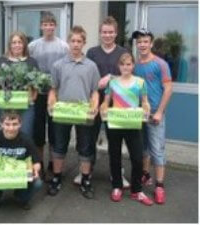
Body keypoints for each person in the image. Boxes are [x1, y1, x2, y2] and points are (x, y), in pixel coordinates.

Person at [74, 16, 130, 188]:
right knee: (89, 137)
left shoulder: (123, 52)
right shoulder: (92, 52)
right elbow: (88, 75)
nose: (107, 35)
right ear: (100, 33)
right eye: (104, 32)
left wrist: (112, 78)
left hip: (117, 102)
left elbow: (128, 76)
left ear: (116, 33)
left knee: (115, 139)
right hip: (94, 100)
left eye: (111, 32)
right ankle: (86, 170)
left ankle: (117, 173)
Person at [47, 26, 99, 199]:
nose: (76, 44)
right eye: (73, 41)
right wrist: (51, 103)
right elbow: (53, 90)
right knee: (59, 146)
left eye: (79, 41)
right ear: (68, 42)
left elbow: (95, 92)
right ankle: (56, 178)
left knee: (85, 147)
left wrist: (95, 106)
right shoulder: (58, 65)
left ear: (84, 43)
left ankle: (85, 180)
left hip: (83, 113)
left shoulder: (91, 66)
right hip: (63, 113)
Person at [100, 52, 153, 206]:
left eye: (129, 64)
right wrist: (103, 108)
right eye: (123, 64)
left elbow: (144, 101)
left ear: (133, 66)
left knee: (137, 158)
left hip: (133, 123)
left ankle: (137, 190)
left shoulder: (140, 82)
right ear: (119, 66)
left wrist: (146, 108)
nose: (125, 67)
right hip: (116, 123)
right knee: (114, 155)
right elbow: (106, 101)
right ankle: (117, 186)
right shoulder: (113, 82)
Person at [132, 28, 173, 204]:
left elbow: (168, 88)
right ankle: (145, 175)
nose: (142, 44)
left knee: (156, 149)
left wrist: (159, 112)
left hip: (155, 113)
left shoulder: (160, 64)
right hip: (139, 113)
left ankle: (159, 186)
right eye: (139, 41)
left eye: (145, 41)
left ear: (151, 43)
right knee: (143, 149)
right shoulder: (134, 65)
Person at [28, 11, 69, 180]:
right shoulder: (33, 46)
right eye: (45, 24)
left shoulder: (63, 46)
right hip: (38, 94)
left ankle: (53, 164)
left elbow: (67, 68)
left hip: (57, 94)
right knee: (38, 133)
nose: (48, 27)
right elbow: (27, 68)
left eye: (51, 24)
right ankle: (40, 164)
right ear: (41, 26)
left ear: (55, 26)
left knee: (54, 131)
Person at [0, 111, 42, 212]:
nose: (11, 128)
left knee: (37, 183)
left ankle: (21, 197)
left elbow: (36, 162)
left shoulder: (26, 140)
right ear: (1, 124)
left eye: (14, 124)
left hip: (19, 174)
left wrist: (36, 170)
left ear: (20, 124)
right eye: (7, 124)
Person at [0, 31, 38, 138]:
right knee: (8, 134)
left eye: (20, 42)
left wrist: (33, 97)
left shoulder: (31, 62)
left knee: (26, 134)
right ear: (10, 45)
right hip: (6, 104)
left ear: (24, 45)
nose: (17, 45)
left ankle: (23, 155)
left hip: (26, 106)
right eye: (14, 42)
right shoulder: (2, 60)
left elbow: (37, 84)